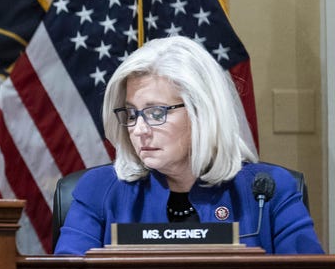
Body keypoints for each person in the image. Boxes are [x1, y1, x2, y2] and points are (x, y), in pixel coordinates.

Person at [55, 36, 322, 255]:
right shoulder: (99, 191)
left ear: (201, 112)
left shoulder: (268, 191)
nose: (139, 130)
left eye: (156, 113)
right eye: (132, 114)